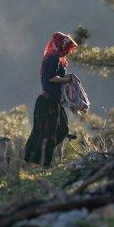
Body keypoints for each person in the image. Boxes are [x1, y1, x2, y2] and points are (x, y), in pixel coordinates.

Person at [24, 31, 78, 167]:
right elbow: (51, 77)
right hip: (48, 102)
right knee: (46, 133)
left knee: (61, 130)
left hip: (54, 101)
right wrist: (67, 79)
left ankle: (37, 160)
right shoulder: (53, 58)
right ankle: (39, 162)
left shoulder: (56, 58)